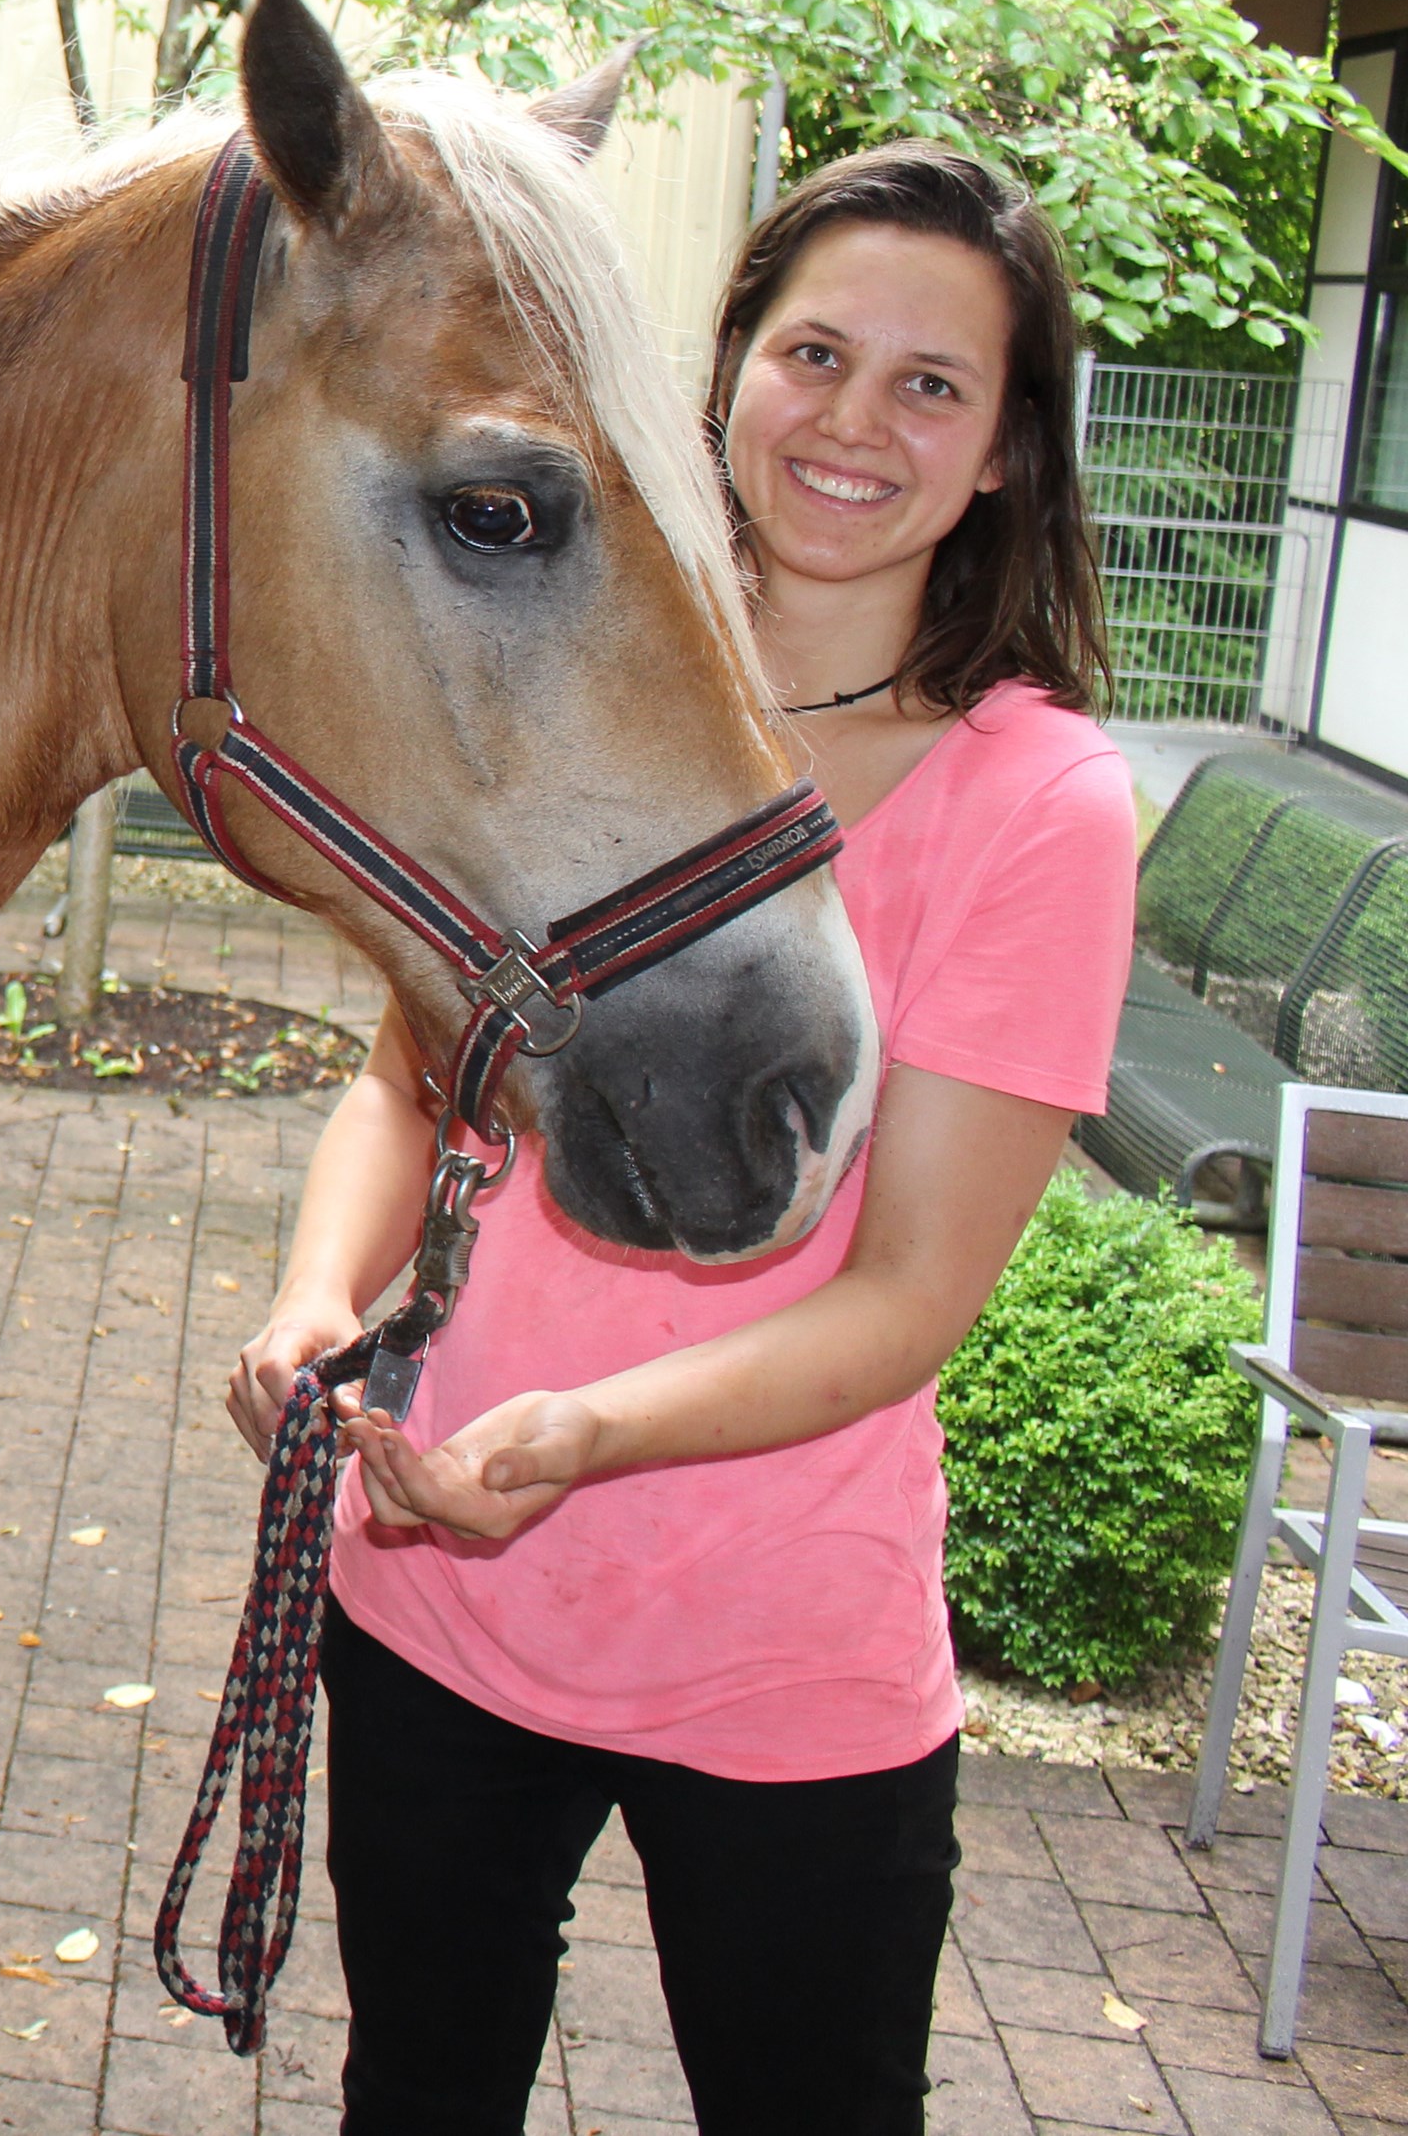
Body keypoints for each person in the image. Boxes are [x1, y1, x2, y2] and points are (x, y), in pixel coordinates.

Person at [224, 143, 1137, 2136]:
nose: (851, 421)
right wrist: (313, 1300)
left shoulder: (1034, 805)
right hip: (431, 1588)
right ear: (723, 371)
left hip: (774, 1660)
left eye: (929, 384)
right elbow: (406, 1077)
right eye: (812, 350)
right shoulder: (575, 665)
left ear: (998, 452)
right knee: (416, 2096)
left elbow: (903, 1300)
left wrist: (581, 1438)